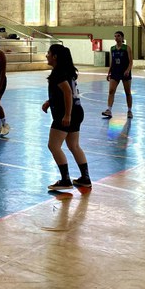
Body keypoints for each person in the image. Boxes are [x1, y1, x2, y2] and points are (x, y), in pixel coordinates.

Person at [43, 44, 91, 191]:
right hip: (77, 111)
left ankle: (65, 180)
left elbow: (68, 93)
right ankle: (85, 178)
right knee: (74, 145)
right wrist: (50, 102)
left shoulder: (58, 73)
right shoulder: (66, 71)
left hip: (67, 113)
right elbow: (64, 92)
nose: (46, 55)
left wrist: (67, 115)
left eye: (49, 53)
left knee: (53, 146)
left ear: (55, 56)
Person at [102, 31, 133, 119]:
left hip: (125, 72)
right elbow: (112, 62)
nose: (116, 38)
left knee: (128, 92)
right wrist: (109, 72)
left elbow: (131, 62)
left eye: (118, 36)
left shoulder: (127, 48)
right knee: (111, 91)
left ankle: (129, 110)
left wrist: (128, 70)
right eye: (115, 36)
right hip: (115, 72)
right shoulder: (112, 48)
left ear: (122, 38)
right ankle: (109, 110)